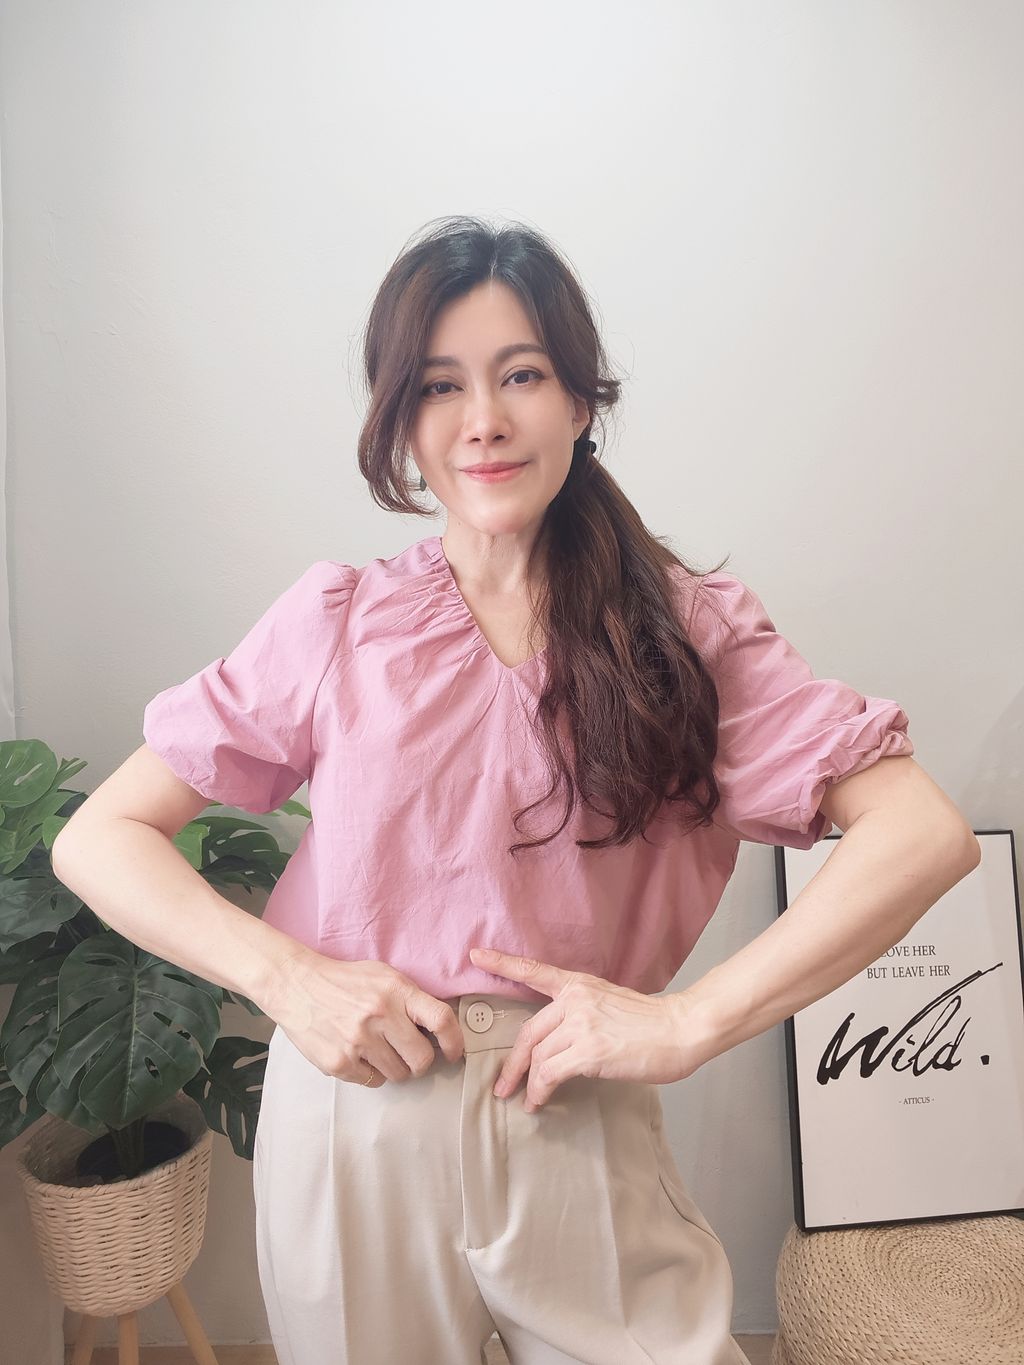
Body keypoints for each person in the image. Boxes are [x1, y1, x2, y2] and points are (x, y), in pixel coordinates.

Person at [52, 216, 978, 1365]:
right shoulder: (336, 623)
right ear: (402, 420)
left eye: (522, 375)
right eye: (440, 386)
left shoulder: (684, 632)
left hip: (575, 1118)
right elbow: (101, 836)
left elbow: (919, 833)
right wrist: (288, 978)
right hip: (355, 1129)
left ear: (581, 400)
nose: (482, 418)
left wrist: (689, 1021)